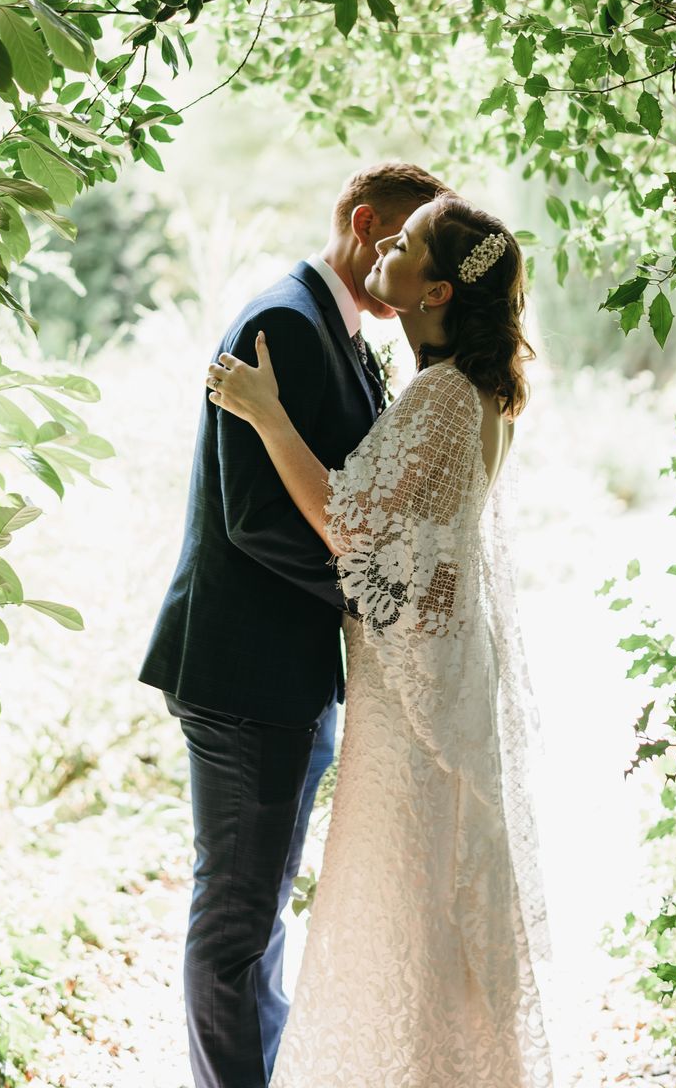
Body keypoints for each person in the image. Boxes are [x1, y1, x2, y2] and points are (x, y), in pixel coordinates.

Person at [206, 192, 555, 1088]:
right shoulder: (468, 390)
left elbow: (344, 524)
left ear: (435, 292)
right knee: (416, 899)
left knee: (405, 903)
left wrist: (264, 411)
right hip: (425, 674)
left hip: (411, 697)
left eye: (403, 245)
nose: (383, 254)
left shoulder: (442, 397)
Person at [138, 161, 449, 1088]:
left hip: (290, 673)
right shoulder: (283, 323)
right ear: (362, 224)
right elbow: (257, 517)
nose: (405, 266)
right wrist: (376, 594)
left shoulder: (341, 331)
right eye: (397, 241)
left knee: (262, 912)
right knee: (235, 921)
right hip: (244, 673)